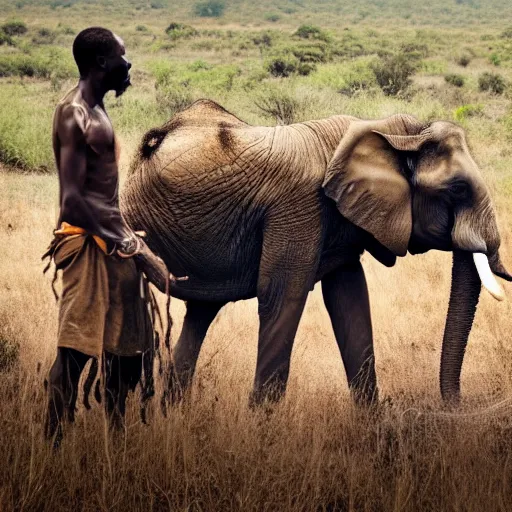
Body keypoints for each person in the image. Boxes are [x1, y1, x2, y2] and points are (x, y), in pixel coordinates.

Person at [43, 27, 176, 444]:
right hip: (87, 247)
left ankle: (116, 451)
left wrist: (129, 245)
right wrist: (137, 249)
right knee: (76, 352)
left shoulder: (98, 110)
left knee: (127, 350)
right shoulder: (74, 114)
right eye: (123, 55)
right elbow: (73, 203)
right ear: (102, 62)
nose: (129, 62)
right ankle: (53, 449)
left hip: (113, 245)